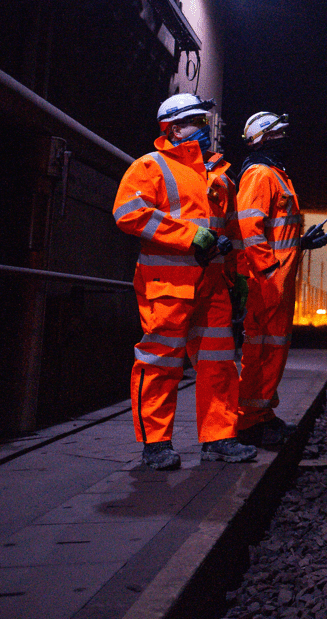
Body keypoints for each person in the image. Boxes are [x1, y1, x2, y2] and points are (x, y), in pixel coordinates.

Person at [113, 93, 257, 470]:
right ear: (174, 127)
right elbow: (128, 213)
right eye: (197, 121)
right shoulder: (151, 166)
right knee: (160, 362)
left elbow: (232, 232)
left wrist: (238, 276)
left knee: (219, 362)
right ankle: (156, 443)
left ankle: (219, 436)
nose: (205, 128)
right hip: (167, 283)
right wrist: (187, 235)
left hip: (212, 286)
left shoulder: (220, 178)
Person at [236, 112, 327, 447]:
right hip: (267, 279)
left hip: (278, 277)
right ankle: (249, 424)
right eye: (278, 133)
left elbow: (274, 230)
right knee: (260, 351)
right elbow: (249, 230)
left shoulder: (277, 175)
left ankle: (264, 414)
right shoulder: (259, 174)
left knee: (273, 351)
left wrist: (303, 242)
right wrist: (267, 272)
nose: (284, 138)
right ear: (262, 138)